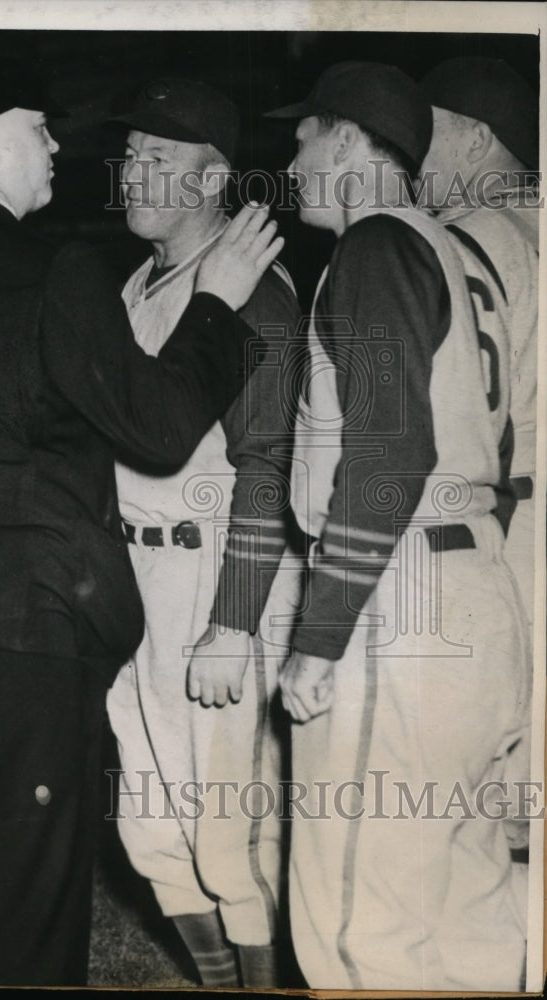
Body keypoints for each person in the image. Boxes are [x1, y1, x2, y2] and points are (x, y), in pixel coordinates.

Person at [0, 60, 283, 987]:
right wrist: (220, 305)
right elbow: (163, 428)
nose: (59, 148)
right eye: (42, 130)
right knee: (29, 884)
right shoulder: (56, 267)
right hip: (24, 624)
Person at [266, 61, 530, 990]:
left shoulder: (376, 245)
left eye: (301, 138)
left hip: (401, 602)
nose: (289, 159)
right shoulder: (452, 250)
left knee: (359, 934)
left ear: (345, 139)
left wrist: (319, 636)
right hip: (476, 588)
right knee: (465, 905)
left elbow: (386, 454)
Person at [104, 78, 301, 989]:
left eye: (160, 160)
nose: (132, 174)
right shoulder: (136, 282)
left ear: (216, 178)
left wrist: (232, 622)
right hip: (134, 582)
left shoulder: (254, 289)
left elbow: (264, 464)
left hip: (217, 576)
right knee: (150, 830)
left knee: (231, 839)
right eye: (131, 154)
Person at [419, 54, 540, 905]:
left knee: (498, 785)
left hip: (515, 516)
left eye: (425, 132)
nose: (410, 153)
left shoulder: (467, 234)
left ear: (477, 135)